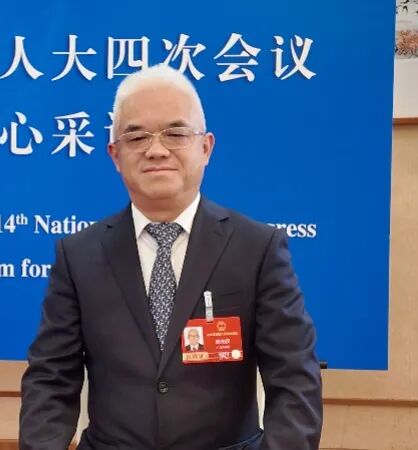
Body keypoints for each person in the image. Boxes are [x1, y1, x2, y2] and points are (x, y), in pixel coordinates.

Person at [19, 64, 322, 450]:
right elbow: (50, 379)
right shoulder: (78, 255)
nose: (156, 150)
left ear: (206, 147)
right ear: (115, 154)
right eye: (137, 137)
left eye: (176, 134)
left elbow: (295, 379)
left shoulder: (257, 248)